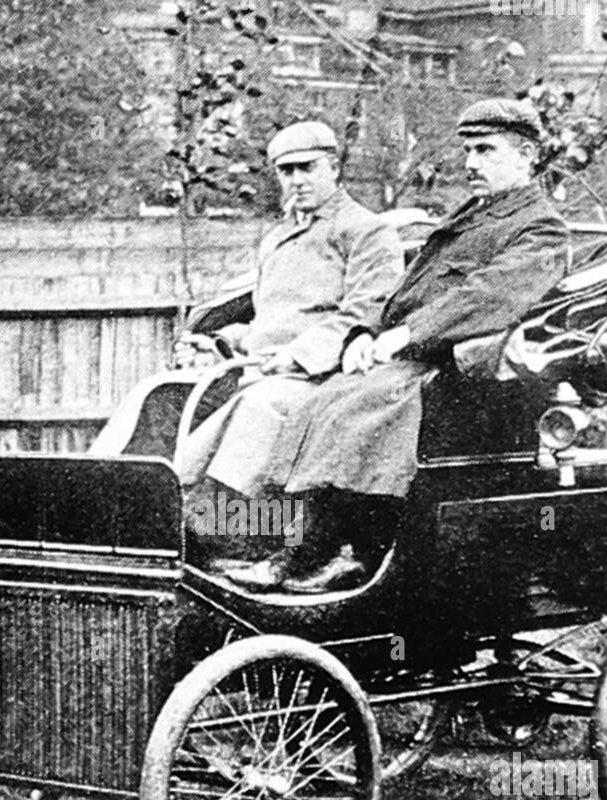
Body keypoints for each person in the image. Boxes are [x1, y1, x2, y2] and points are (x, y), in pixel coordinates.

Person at [225, 98, 571, 594]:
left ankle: (351, 557)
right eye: (469, 150)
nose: (471, 162)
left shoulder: (540, 227)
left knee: (364, 408)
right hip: (414, 361)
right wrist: (366, 334)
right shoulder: (475, 216)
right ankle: (299, 550)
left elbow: (488, 295)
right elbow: (405, 291)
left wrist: (406, 336)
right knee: (321, 401)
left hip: (461, 372)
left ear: (526, 156)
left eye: (486, 150)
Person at [90, 121, 404, 516]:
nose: (297, 181)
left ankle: (213, 526)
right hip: (259, 368)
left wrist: (297, 355)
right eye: (286, 172)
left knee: (259, 406)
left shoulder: (367, 232)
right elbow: (272, 317)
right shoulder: (278, 238)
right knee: (160, 393)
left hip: (321, 378)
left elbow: (365, 314)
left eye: (308, 168)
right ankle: (105, 503)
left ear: (335, 168)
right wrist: (221, 342)